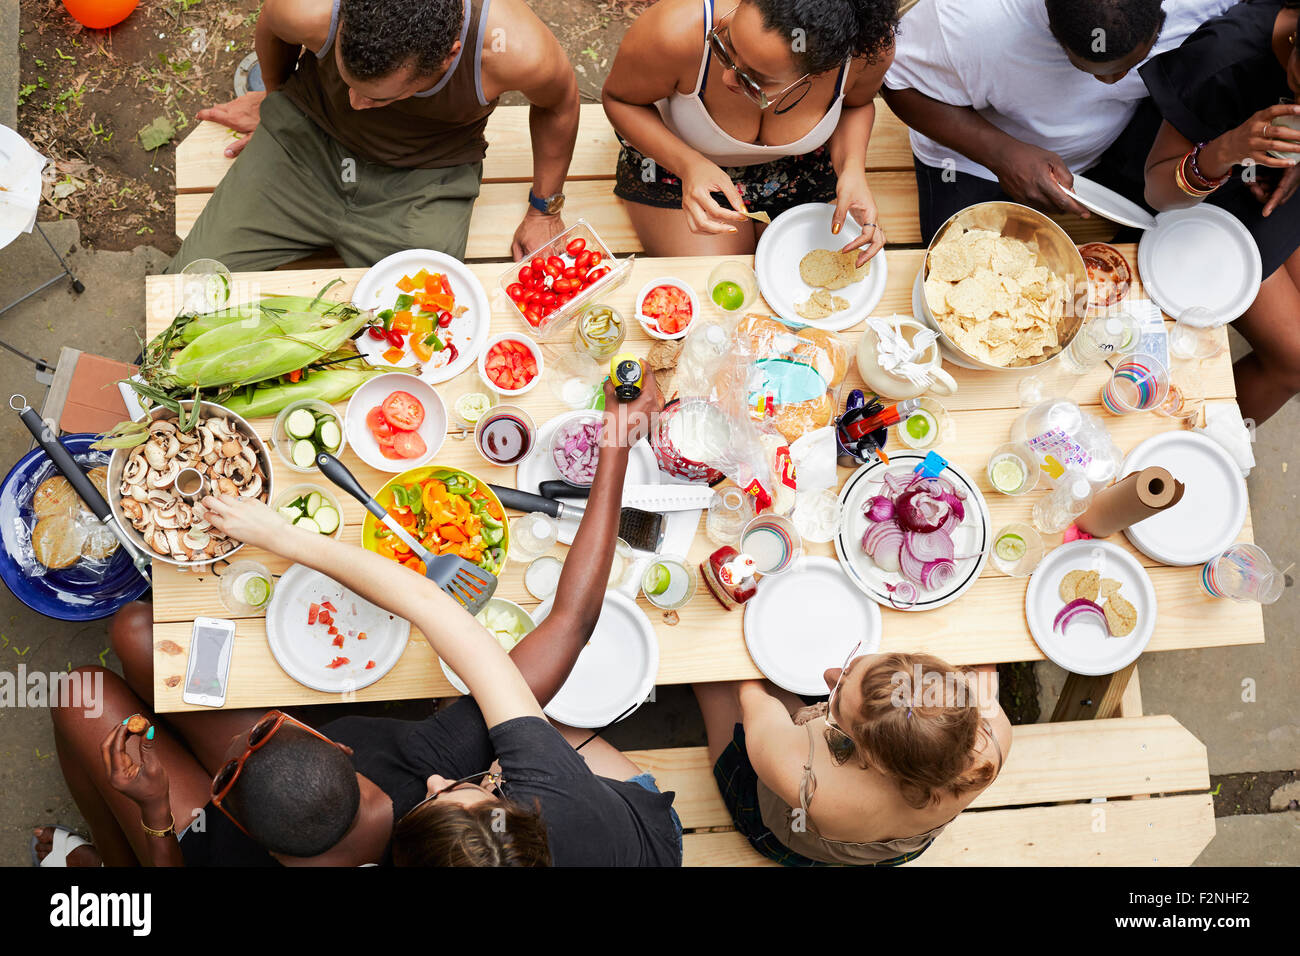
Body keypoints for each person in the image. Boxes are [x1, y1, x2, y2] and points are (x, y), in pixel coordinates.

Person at [35, 373, 681, 867]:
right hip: (633, 838)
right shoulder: (524, 794)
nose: (436, 780)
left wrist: (152, 813)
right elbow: (568, 620)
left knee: (81, 695)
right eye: (481, 788)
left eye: (435, 795)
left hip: (215, 843)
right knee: (134, 633)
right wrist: (618, 440)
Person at [167, 0, 580, 271]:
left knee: (422, 335)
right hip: (307, 143)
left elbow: (560, 103)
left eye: (379, 98)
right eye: (349, 81)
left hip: (425, 179)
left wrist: (544, 209)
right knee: (191, 291)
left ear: (449, 55)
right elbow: (273, 30)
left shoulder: (514, 51)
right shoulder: (306, 8)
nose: (356, 102)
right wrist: (277, 100)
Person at [882, 0, 1235, 242]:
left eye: (1132, 62)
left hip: (1120, 141)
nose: (1113, 83)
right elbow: (897, 82)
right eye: (1088, 68)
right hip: (976, 160)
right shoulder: (968, 22)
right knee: (960, 279)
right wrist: (1003, 154)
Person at [602, 0, 898, 264]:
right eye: (725, 45)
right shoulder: (674, 29)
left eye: (757, 79)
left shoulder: (866, 51)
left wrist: (852, 170)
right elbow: (621, 100)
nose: (727, 76)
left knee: (798, 283)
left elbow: (855, 106)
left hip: (801, 170)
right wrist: (689, 165)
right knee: (720, 280)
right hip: (675, 165)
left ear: (823, 71)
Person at [693, 650, 1011, 866]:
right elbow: (982, 671)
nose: (831, 674)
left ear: (874, 757)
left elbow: (753, 700)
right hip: (886, 848)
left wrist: (743, 655)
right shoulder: (994, 737)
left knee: (713, 679)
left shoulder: (804, 777)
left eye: (835, 702)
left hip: (786, 831)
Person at [1140, 0, 1300, 425]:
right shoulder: (1223, 59)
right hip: (1189, 189)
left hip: (1269, 178)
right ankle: (1182, 448)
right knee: (1294, 359)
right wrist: (1228, 149)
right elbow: (1156, 188)